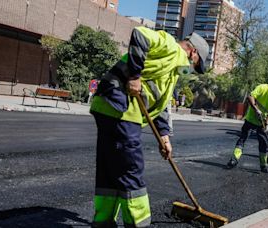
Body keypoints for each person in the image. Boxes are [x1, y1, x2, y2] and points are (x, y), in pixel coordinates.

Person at [89, 26, 209, 227]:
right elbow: (139, 33)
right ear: (193, 52)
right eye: (195, 64)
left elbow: (160, 104)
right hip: (121, 110)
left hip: (110, 109)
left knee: (111, 169)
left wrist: (164, 136)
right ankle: (138, 224)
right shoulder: (171, 47)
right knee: (131, 170)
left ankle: (103, 222)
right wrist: (135, 76)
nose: (192, 69)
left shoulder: (172, 71)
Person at [226, 80, 268, 173]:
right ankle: (234, 159)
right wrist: (256, 109)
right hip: (251, 119)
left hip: (262, 121)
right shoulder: (263, 88)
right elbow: (250, 97)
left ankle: (263, 165)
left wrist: (267, 123)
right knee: (243, 138)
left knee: (264, 143)